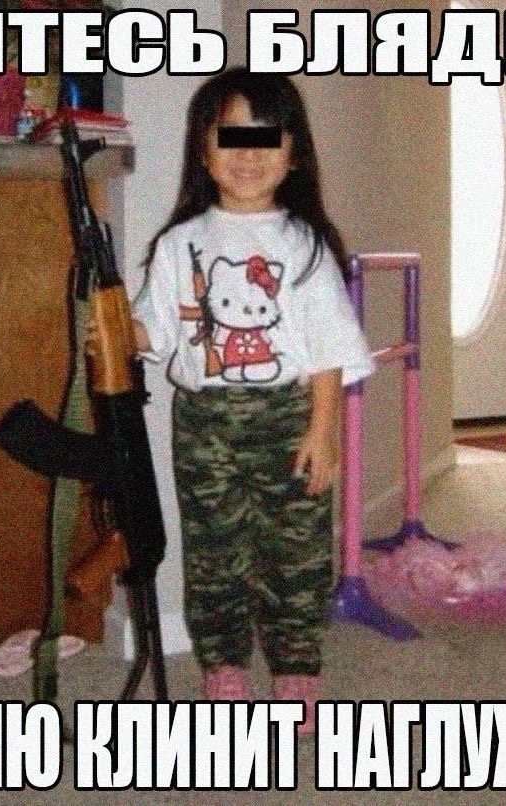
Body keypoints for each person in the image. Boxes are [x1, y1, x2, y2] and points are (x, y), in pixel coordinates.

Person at [131, 67, 374, 735]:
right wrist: (114, 326)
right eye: (229, 136)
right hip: (203, 422)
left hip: (289, 416)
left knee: (297, 553)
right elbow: (153, 330)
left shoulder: (304, 244)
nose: (247, 153)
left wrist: (324, 432)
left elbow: (327, 348)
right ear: (203, 149)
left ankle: (296, 668)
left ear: (294, 154)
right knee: (215, 553)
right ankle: (224, 667)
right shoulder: (178, 244)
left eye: (266, 137)